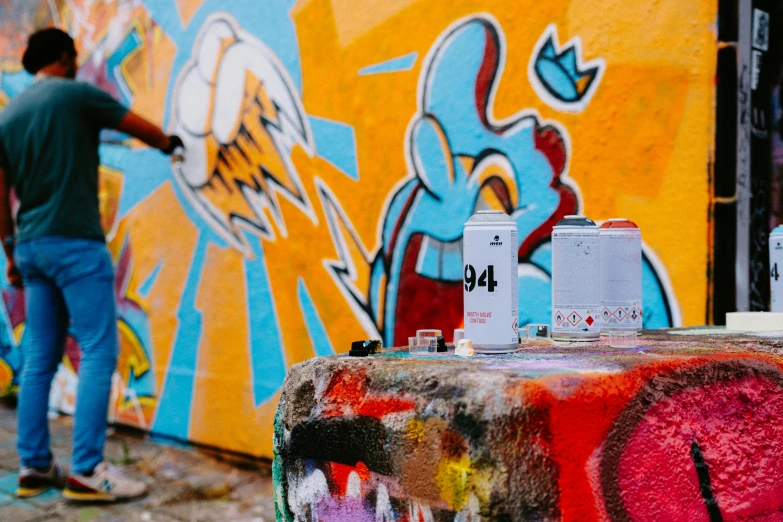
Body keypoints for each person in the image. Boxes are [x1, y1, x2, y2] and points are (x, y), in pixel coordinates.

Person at [0, 28, 183, 502]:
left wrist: (10, 251)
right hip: (76, 243)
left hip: (32, 247)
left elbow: (0, 192)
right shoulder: (76, 95)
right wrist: (170, 144)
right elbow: (137, 126)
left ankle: (34, 466)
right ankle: (86, 469)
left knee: (39, 357)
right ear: (65, 57)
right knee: (100, 349)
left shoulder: (10, 114)